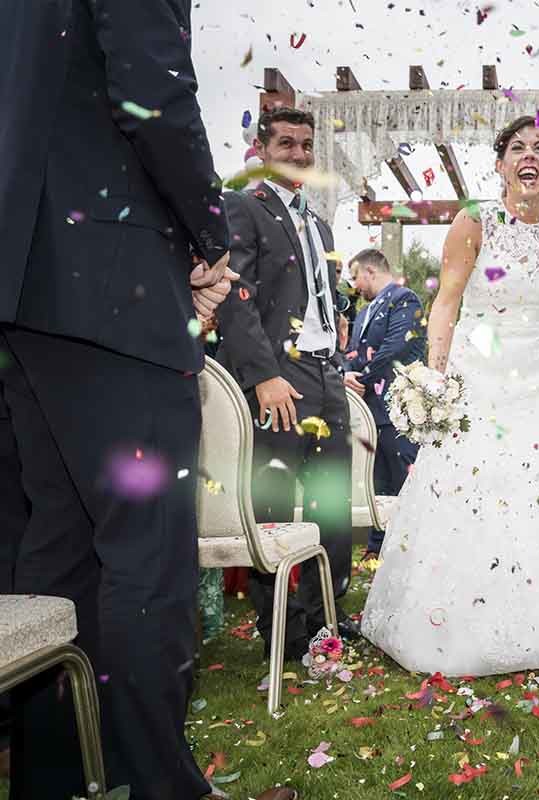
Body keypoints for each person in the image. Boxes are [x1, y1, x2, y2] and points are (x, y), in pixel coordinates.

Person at [0, 2, 301, 798]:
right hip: (113, 279)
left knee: (57, 544)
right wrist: (208, 237)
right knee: (145, 554)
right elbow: (153, 92)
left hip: (26, 288)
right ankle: (155, 783)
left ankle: (57, 778)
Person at [360, 116, 539, 675]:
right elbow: (446, 303)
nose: (529, 155)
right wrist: (436, 377)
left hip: (538, 386)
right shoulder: (472, 223)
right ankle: (457, 622)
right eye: (517, 148)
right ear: (501, 164)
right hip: (479, 384)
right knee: (472, 495)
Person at [216, 106, 358, 661]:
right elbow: (235, 292)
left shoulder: (317, 222)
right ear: (262, 150)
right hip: (278, 375)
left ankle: (328, 623)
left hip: (325, 373)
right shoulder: (243, 206)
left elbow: (314, 288)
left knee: (332, 508)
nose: (299, 155)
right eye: (287, 145)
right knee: (272, 507)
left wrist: (340, 311)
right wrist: (266, 376)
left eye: (306, 145)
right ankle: (284, 630)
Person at [342, 249, 426, 560]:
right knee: (376, 484)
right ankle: (378, 548)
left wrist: (360, 377)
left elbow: (395, 346)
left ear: (370, 271)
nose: (355, 285)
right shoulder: (363, 314)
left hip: (398, 408)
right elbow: (351, 352)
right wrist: (344, 373)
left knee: (404, 479)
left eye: (355, 277)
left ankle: (410, 547)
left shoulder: (405, 299)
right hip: (369, 413)